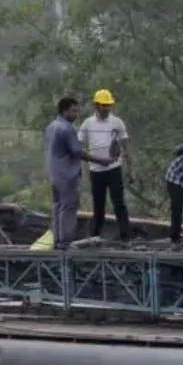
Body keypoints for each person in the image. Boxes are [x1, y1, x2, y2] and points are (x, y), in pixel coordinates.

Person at [45, 97, 112, 250]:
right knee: (68, 208)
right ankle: (65, 243)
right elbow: (78, 152)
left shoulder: (51, 126)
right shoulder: (67, 128)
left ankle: (57, 240)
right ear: (64, 111)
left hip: (54, 174)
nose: (76, 115)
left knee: (57, 207)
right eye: (73, 111)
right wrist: (102, 161)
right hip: (67, 175)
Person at [78, 89, 132, 243]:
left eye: (109, 105)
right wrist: (95, 160)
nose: (107, 108)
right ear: (96, 105)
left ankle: (125, 237)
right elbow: (78, 145)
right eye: (103, 105)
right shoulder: (87, 123)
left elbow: (125, 143)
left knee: (119, 203)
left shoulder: (117, 122)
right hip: (96, 170)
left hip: (114, 168)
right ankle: (94, 236)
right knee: (98, 204)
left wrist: (130, 166)